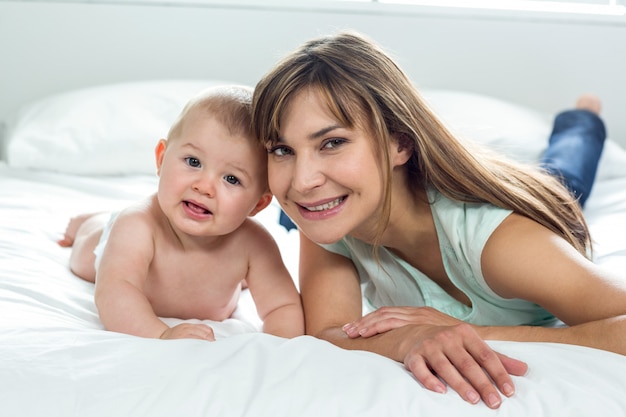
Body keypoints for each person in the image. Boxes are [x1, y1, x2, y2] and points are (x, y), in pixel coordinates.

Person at [251, 31, 625, 409]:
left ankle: (583, 119)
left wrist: (473, 333)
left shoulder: (500, 242)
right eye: (282, 149)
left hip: (526, 212)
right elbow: (327, 331)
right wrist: (405, 339)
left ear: (400, 143)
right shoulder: (326, 218)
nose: (302, 181)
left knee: (565, 174)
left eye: (332, 142)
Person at [58, 85, 304, 341]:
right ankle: (87, 222)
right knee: (85, 257)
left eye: (231, 179)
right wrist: (161, 334)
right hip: (112, 244)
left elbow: (282, 306)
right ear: (162, 159)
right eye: (193, 162)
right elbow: (114, 291)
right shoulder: (138, 226)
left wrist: (280, 347)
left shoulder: (254, 245)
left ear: (258, 204)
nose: (204, 187)